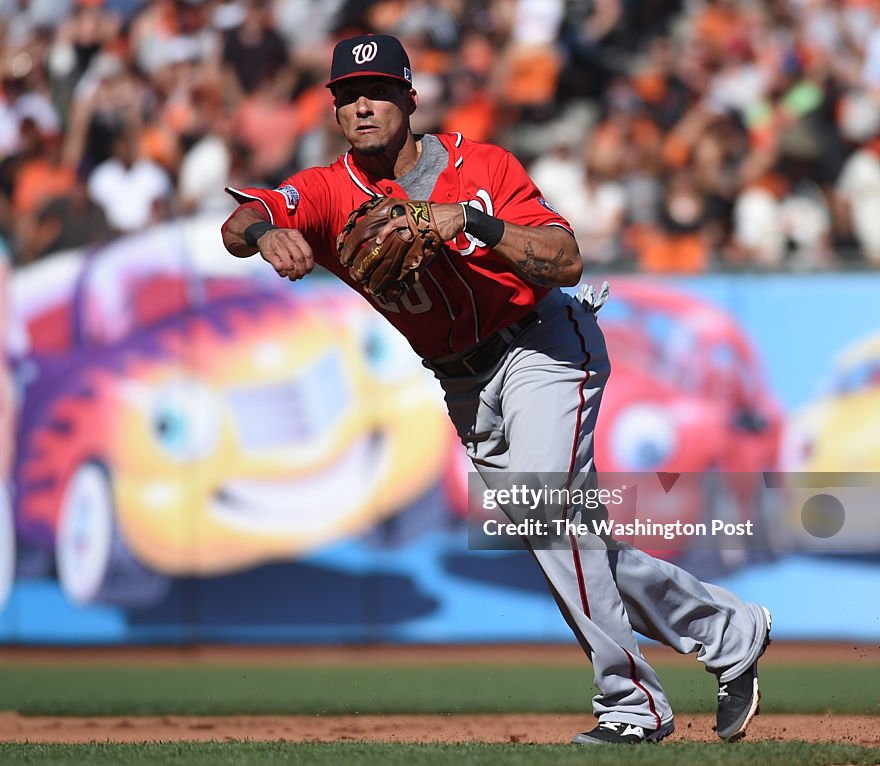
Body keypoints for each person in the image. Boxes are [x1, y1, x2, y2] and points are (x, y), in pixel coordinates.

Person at [220, 34, 772, 746]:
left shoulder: (481, 166)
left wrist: (471, 219)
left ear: (410, 99)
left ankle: (632, 704)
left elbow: (566, 260)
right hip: (460, 384)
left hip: (543, 344)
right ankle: (731, 633)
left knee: (549, 517)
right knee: (573, 541)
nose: (362, 106)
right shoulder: (326, 194)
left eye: (379, 91)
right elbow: (239, 221)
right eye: (348, 95)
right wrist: (266, 233)